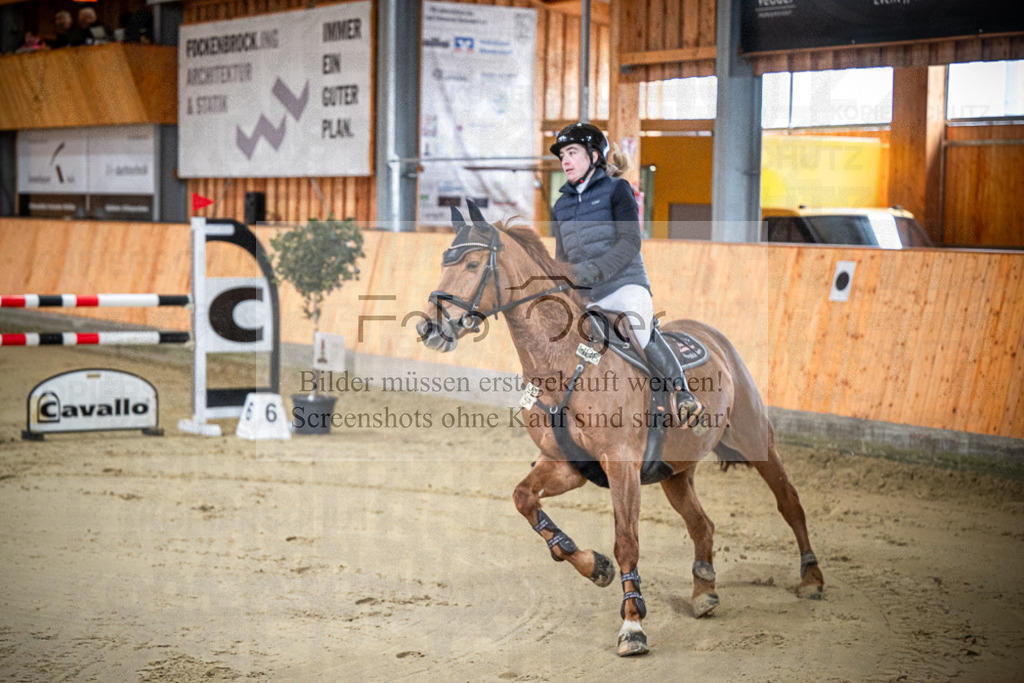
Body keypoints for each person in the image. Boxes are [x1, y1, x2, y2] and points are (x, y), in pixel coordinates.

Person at [549, 121, 702, 423]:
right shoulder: (561, 205)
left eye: (572, 152)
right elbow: (562, 257)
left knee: (641, 330)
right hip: (587, 295)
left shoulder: (617, 190)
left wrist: (595, 270)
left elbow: (631, 241)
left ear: (594, 156)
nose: (565, 160)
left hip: (624, 285)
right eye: (562, 155)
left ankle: (682, 393)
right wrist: (563, 284)